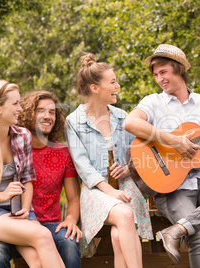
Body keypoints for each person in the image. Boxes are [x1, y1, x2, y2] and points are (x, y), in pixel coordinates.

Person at [123, 44, 200, 267]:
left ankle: (176, 229)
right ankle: (185, 227)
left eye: (163, 72)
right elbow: (130, 122)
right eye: (156, 74)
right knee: (198, 234)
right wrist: (174, 141)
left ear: (179, 69)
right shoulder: (153, 102)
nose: (159, 79)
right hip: (171, 187)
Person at [66, 53, 153, 267]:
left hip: (126, 186)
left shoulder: (123, 116)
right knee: (124, 215)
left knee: (117, 236)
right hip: (96, 190)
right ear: (95, 88)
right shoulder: (73, 122)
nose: (118, 86)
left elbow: (138, 153)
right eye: (112, 82)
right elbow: (83, 168)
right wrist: (111, 192)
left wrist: (128, 168)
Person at [0, 90, 82, 267]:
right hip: (11, 222)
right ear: (28, 113)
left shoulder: (63, 153)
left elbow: (74, 198)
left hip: (49, 224)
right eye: (41, 110)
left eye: (52, 112)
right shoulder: (10, 147)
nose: (48, 116)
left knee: (69, 242)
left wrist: (70, 220)